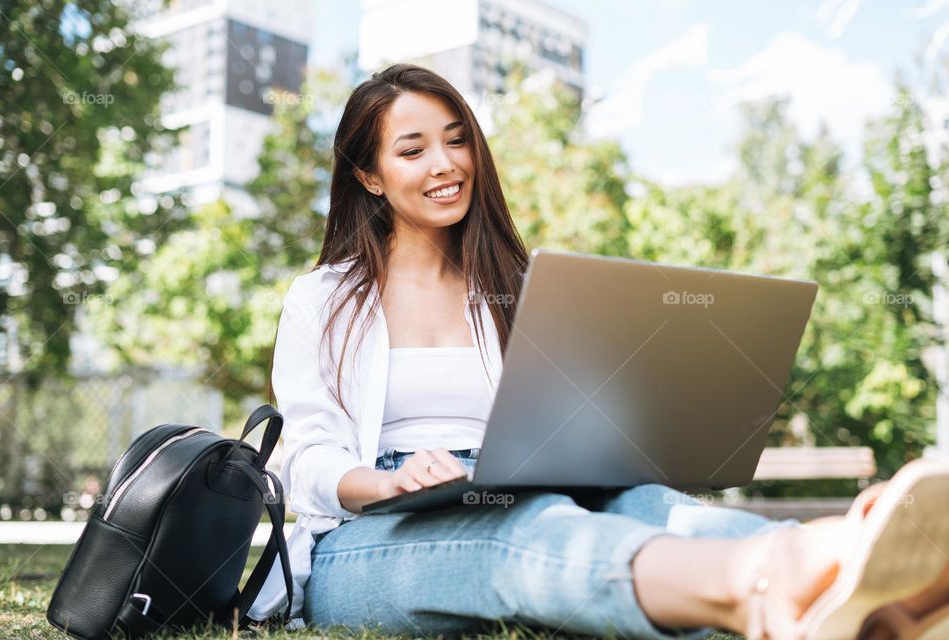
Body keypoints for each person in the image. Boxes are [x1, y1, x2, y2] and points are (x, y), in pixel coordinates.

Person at [248, 63, 949, 640]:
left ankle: (869, 569)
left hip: (520, 493)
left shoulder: (520, 288)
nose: (446, 163)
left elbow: (569, 425)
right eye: (412, 150)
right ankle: (766, 590)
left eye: (458, 140)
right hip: (367, 536)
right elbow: (307, 458)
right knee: (527, 532)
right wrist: (385, 483)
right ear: (369, 177)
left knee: (654, 505)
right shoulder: (324, 299)